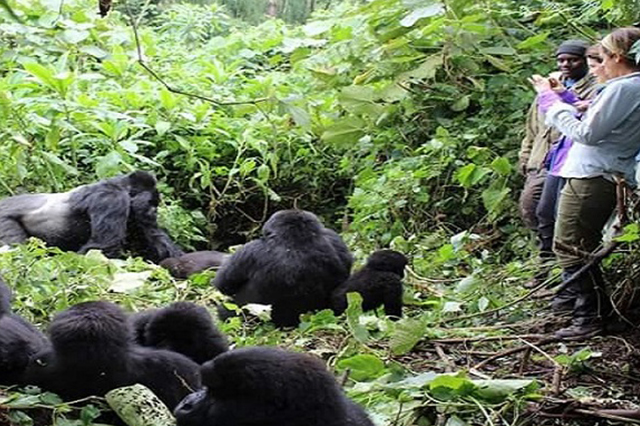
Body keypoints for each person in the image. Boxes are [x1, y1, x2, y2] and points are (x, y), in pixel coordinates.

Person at [532, 27, 640, 339]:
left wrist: (552, 104)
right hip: (601, 172)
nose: (599, 66)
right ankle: (595, 312)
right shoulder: (624, 88)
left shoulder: (626, 88)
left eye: (602, 59)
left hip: (594, 174)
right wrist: (568, 102)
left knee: (569, 244)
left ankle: (588, 317)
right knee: (577, 243)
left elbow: (587, 133)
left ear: (617, 57)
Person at [519, 40, 598, 287]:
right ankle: (547, 262)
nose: (565, 65)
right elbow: (533, 125)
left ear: (585, 61)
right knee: (532, 208)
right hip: (542, 158)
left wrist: (554, 94)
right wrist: (526, 154)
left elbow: (578, 119)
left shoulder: (594, 88)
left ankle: (556, 272)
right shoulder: (553, 85)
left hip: (569, 158)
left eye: (572, 60)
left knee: (552, 214)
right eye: (561, 60)